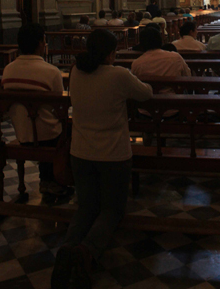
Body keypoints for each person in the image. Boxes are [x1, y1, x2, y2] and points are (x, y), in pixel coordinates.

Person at [51, 30, 152, 289]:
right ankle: (86, 251)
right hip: (113, 154)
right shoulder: (118, 75)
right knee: (112, 209)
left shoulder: (76, 71)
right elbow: (146, 94)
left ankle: (67, 248)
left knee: (86, 207)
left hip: (80, 152)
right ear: (110, 52)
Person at [1, 23, 69, 197]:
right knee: (67, 129)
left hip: (22, 134)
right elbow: (60, 108)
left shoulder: (8, 70)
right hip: (49, 137)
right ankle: (60, 179)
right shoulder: (51, 71)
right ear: (41, 43)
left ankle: (47, 180)